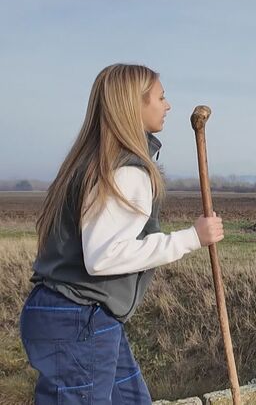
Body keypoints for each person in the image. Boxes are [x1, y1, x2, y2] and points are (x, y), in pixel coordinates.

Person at [19, 64, 224, 404]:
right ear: (134, 104)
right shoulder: (127, 170)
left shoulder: (92, 161)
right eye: (160, 97)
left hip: (73, 313)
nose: (168, 105)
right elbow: (104, 256)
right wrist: (192, 238)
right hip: (79, 317)